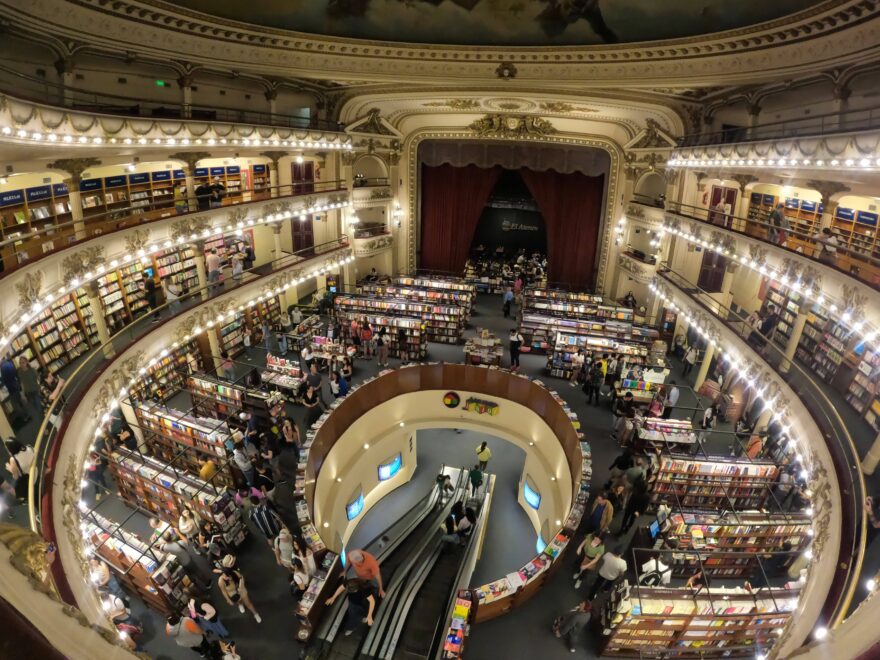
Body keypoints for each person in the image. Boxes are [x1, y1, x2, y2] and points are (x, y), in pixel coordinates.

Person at [217, 555, 261, 622]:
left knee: (248, 603)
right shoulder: (221, 581)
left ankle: (255, 614)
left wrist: (241, 583)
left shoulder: (234, 572)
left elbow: (241, 578)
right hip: (232, 593)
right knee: (238, 601)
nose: (228, 578)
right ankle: (240, 604)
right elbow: (223, 591)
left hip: (240, 590)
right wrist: (229, 600)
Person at [0, 354, 30, 424]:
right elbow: (15, 373)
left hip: (11, 388)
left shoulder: (2, 368)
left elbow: (4, 380)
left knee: (15, 405)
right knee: (20, 400)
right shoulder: (9, 363)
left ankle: (25, 417)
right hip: (16, 385)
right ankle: (27, 414)